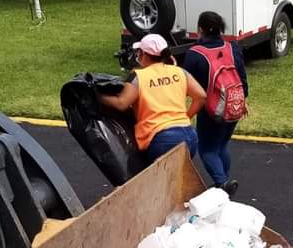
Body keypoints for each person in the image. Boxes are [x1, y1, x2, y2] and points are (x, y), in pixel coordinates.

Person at [98, 33, 206, 164]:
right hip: (189, 136)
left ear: (144, 54)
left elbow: (122, 103)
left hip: (162, 140)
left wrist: (98, 97)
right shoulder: (179, 72)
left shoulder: (138, 77)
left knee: (159, 181)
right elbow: (201, 96)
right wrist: (187, 116)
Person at [183, 11, 248, 196]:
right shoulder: (232, 48)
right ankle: (225, 181)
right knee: (221, 145)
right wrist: (244, 100)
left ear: (200, 29)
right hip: (234, 104)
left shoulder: (195, 54)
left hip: (212, 109)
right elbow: (242, 76)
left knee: (207, 149)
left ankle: (222, 183)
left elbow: (186, 82)